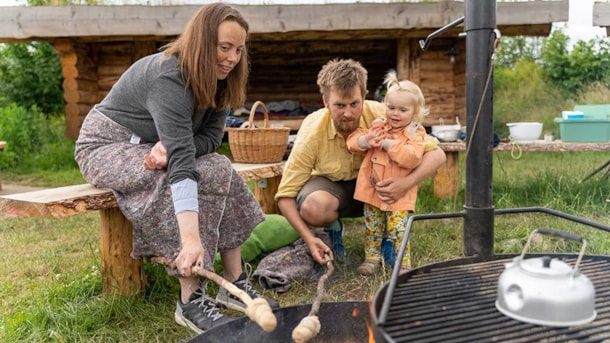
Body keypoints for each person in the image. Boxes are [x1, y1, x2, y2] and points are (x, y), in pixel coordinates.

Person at [74, 3, 278, 334]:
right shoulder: (169, 76)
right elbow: (182, 164)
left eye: (238, 50)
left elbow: (211, 140)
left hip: (152, 146)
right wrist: (191, 240)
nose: (231, 58)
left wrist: (173, 148)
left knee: (219, 166)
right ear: (201, 41)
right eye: (224, 47)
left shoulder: (221, 79)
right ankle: (190, 299)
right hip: (104, 146)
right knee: (175, 175)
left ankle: (233, 281)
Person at [275, 58, 446, 266]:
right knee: (314, 207)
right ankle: (331, 232)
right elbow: (285, 196)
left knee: (393, 190)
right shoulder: (312, 133)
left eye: (354, 104)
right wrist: (310, 239)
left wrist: (406, 183)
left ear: (364, 97)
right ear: (325, 101)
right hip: (333, 189)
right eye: (339, 105)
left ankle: (387, 239)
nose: (348, 113)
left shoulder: (386, 114)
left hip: (380, 190)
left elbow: (438, 155)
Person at [346, 71, 428, 275]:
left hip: (398, 195)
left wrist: (389, 144)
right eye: (391, 108)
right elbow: (353, 141)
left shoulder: (415, 133)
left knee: (398, 230)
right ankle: (371, 258)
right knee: (372, 227)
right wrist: (367, 140)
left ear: (415, 112)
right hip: (372, 191)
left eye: (403, 110)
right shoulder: (378, 126)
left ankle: (403, 262)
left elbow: (412, 158)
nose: (395, 114)